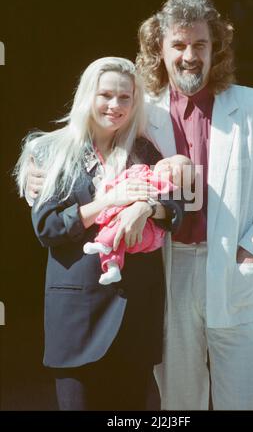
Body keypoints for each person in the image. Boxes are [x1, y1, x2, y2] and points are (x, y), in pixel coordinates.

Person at [26, 0, 253, 410]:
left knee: (242, 401)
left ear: (216, 49)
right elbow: (76, 144)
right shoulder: (139, 107)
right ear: (160, 48)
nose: (189, 56)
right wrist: (27, 170)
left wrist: (252, 251)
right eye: (178, 45)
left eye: (200, 45)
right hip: (168, 271)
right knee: (179, 403)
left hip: (233, 267)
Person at [14, 57, 185, 411]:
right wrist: (108, 201)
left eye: (125, 98)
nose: (115, 105)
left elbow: (178, 208)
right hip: (78, 316)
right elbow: (47, 227)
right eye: (106, 95)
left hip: (136, 314)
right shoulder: (51, 151)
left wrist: (147, 207)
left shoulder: (144, 150)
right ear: (87, 96)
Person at [83, 158, 184, 285]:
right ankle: (112, 268)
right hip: (123, 212)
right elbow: (122, 179)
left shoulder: (167, 187)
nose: (169, 166)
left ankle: (103, 243)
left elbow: (173, 206)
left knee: (117, 226)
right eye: (169, 161)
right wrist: (112, 190)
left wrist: (147, 206)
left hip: (148, 230)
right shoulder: (141, 169)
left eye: (176, 172)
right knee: (115, 227)